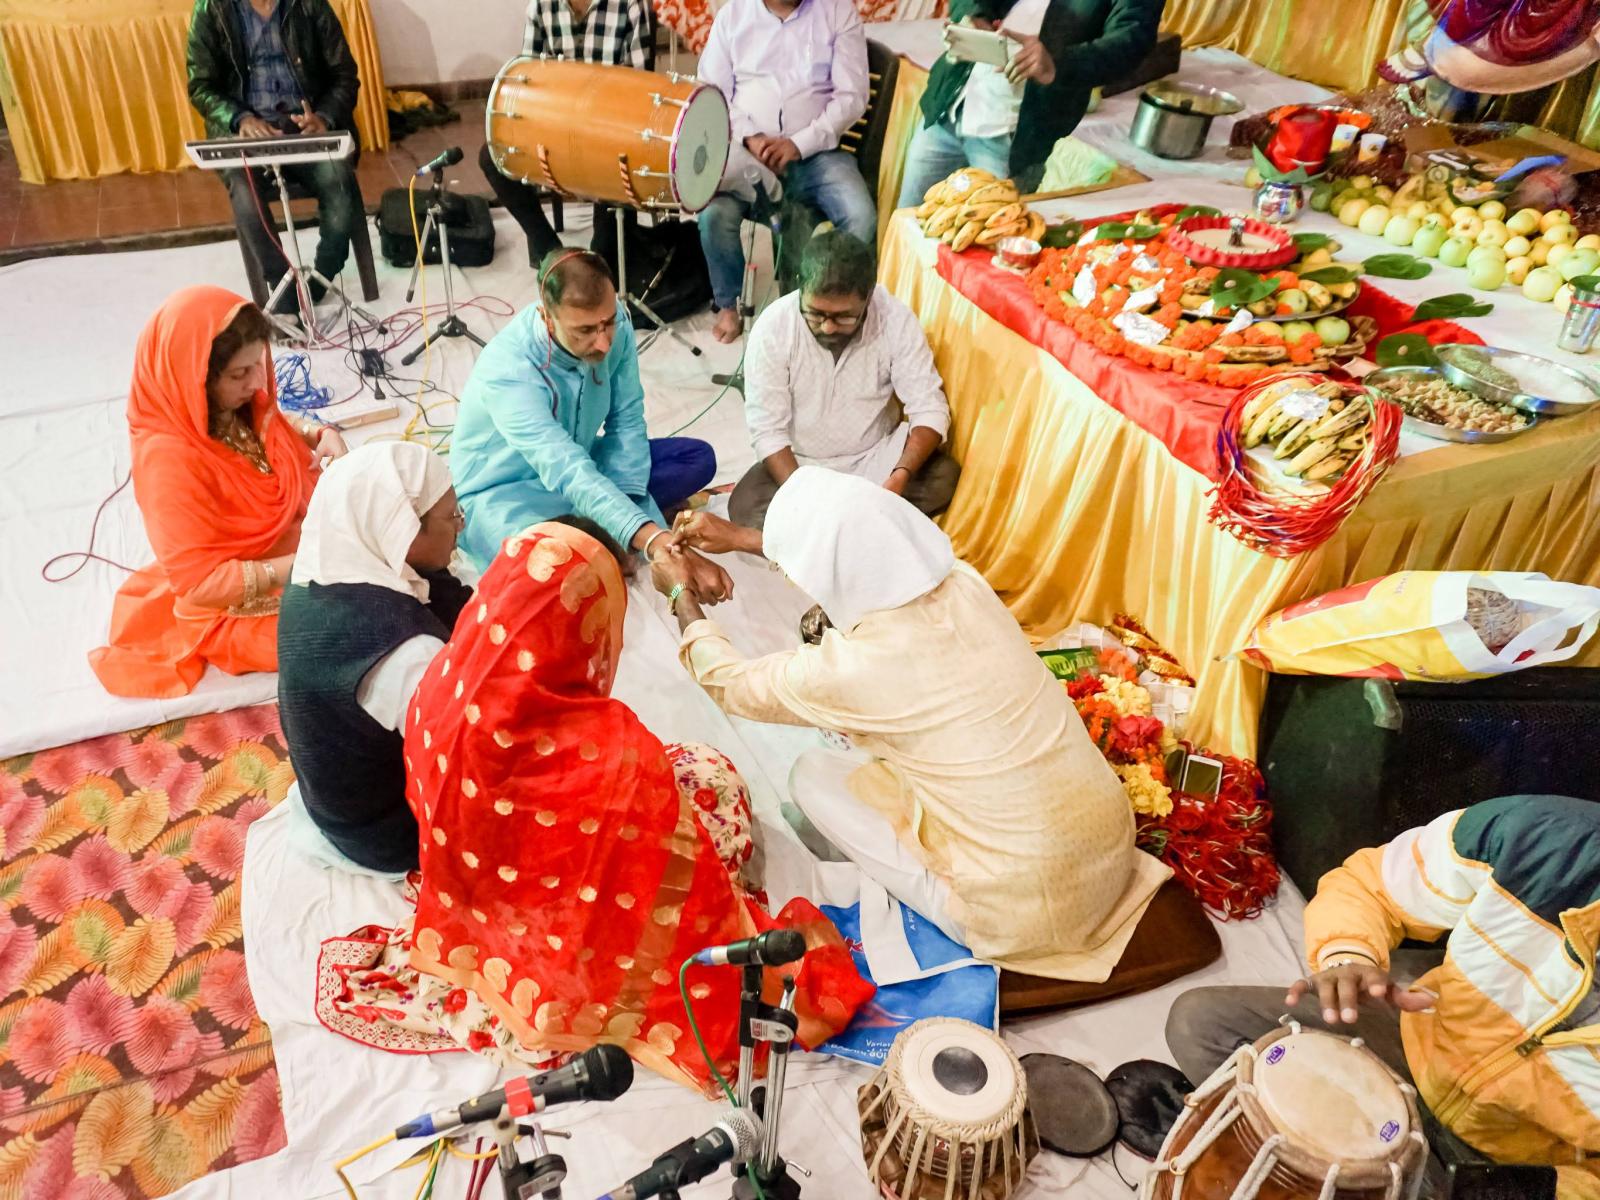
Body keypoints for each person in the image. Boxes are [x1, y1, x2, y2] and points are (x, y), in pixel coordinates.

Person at [315, 520, 874, 1087]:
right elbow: (666, 872)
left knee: (680, 778)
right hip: (576, 949)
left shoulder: (437, 689)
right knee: (714, 777)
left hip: (490, 911)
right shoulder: (611, 754)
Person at [665, 467, 1170, 980]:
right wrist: (746, 540)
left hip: (1024, 915)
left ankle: (949, 901)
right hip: (1113, 849)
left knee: (813, 776)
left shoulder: (856, 668)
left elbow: (727, 681)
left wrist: (677, 591)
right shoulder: (965, 585)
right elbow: (862, 549)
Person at [1165, 795, 1600, 1194]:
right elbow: (1372, 884)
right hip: (1418, 1039)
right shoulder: (1546, 838)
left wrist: (1531, 1189)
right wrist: (1348, 955)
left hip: (1511, 1159)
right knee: (1200, 1023)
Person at [90, 287, 346, 699]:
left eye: (258, 364)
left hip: (294, 549)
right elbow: (200, 586)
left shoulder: (225, 405)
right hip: (233, 611)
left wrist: (318, 433)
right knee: (356, 629)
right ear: (194, 378)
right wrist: (304, 563)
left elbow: (272, 420)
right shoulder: (168, 462)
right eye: (239, 374)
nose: (258, 382)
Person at [451, 249, 731, 603]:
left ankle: (599, 527)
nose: (603, 342)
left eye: (608, 322)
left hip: (584, 463)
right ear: (546, 317)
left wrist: (628, 508)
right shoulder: (509, 371)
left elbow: (627, 419)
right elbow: (567, 470)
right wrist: (653, 537)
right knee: (541, 573)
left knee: (695, 458)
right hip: (507, 493)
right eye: (584, 330)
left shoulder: (617, 325)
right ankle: (594, 530)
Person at [277, 442, 472, 873]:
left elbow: (449, 595)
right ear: (403, 530)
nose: (461, 526)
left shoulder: (325, 563)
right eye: (451, 518)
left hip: (334, 797)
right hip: (386, 832)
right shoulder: (406, 653)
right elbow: (466, 761)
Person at [730, 230, 958, 528]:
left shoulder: (894, 318)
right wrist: (802, 493)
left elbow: (929, 407)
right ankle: (865, 523)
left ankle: (829, 528)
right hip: (802, 466)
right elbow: (767, 432)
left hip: (877, 459)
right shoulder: (773, 328)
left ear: (869, 295)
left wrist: (901, 474)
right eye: (815, 314)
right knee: (745, 506)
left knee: (943, 477)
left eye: (844, 317)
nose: (827, 327)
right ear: (800, 287)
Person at [696, 0, 879, 343]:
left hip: (817, 154)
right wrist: (750, 137)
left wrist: (798, 144)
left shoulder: (837, 12)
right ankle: (728, 304)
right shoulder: (733, 15)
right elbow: (712, 92)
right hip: (748, 154)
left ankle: (829, 300)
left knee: (861, 216)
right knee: (714, 216)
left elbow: (851, 97)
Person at [186, 0, 364, 311]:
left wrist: (323, 117)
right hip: (245, 133)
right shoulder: (212, 8)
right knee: (245, 191)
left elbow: (344, 74)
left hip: (305, 129)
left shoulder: (309, 5)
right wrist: (240, 118)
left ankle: (321, 278)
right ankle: (283, 289)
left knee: (338, 179)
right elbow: (200, 85)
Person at [897, 0, 1162, 207]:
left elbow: (1132, 39)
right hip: (951, 106)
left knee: (986, 246)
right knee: (908, 226)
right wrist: (973, 15)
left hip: (1016, 135)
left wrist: (1058, 63)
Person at [478, 0, 654, 268]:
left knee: (604, 264)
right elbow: (529, 78)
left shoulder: (631, 5)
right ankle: (548, 248)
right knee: (494, 156)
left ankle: (612, 240)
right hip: (556, 127)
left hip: (610, 136)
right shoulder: (541, 6)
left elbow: (643, 90)